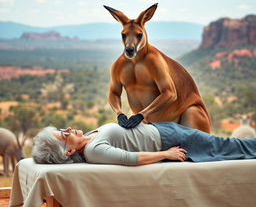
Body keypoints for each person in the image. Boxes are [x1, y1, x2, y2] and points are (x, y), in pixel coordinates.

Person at [32, 122, 256, 166]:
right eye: (63, 135)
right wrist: (166, 154)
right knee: (229, 146)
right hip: (169, 140)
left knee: (228, 145)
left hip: (165, 129)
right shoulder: (94, 151)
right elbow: (131, 158)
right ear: (69, 150)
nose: (68, 129)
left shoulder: (90, 137)